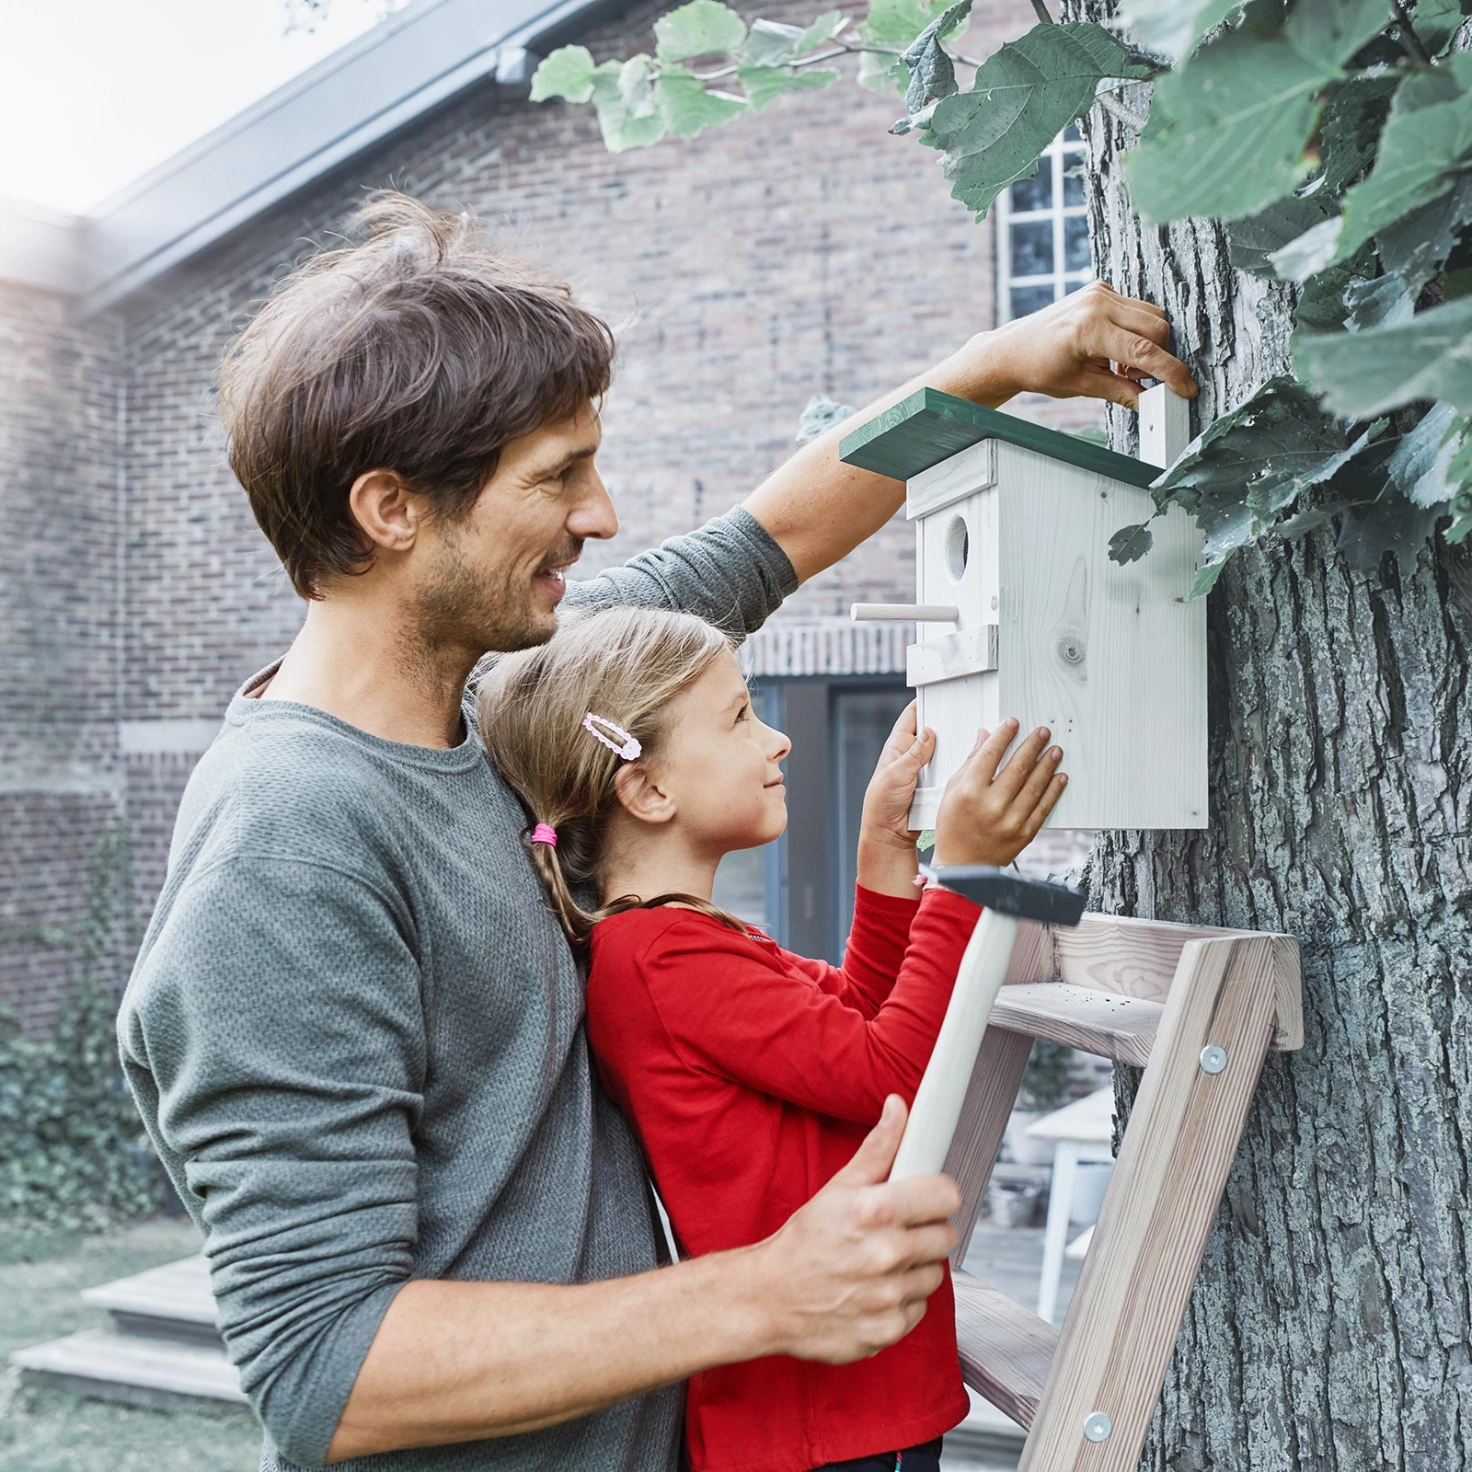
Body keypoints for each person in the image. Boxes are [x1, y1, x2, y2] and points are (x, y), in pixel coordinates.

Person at [115, 192, 1195, 1472]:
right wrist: (762, 1292)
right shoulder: (288, 848)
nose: (602, 513)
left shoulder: (511, 693)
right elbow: (323, 1371)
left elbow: (765, 541)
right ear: (392, 509)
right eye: (556, 476)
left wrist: (1001, 366)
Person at [476, 606, 1067, 1472]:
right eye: (740, 716)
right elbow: (893, 1075)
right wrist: (967, 876)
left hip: (844, 1404)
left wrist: (881, 858)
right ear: (647, 791)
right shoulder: (661, 960)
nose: (779, 739)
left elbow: (862, 1024)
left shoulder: (691, 940)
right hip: (821, 1422)